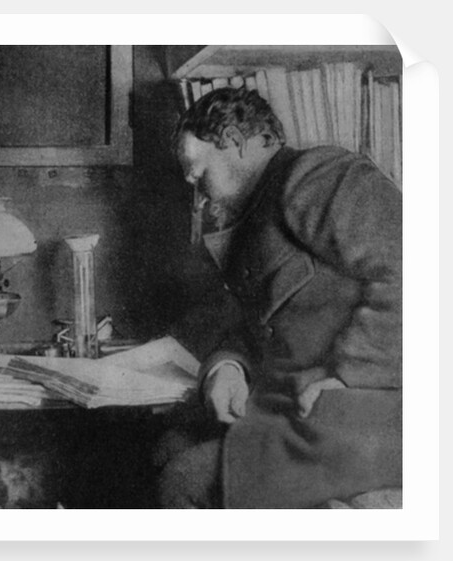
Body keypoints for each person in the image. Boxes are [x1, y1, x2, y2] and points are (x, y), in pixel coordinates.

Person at [154, 87, 402, 508]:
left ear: (233, 141)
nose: (198, 195)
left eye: (198, 174)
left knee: (184, 479)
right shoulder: (252, 218)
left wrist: (350, 373)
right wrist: (228, 367)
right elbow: (258, 325)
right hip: (299, 414)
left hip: (358, 414)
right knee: (169, 445)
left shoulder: (315, 175)